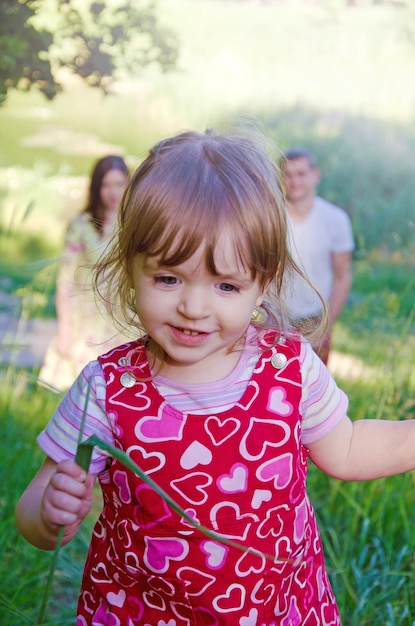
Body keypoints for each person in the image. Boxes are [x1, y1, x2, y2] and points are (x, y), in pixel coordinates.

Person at [15, 129, 415, 625]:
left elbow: (350, 449)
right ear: (129, 266)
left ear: (262, 283)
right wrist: (50, 513)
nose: (193, 307)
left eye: (226, 284)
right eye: (167, 277)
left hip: (276, 608)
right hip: (141, 612)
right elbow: (35, 511)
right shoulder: (107, 389)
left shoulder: (288, 370)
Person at [39, 154, 131, 390]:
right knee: (80, 390)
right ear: (96, 186)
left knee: (117, 389)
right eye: (106, 185)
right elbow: (65, 280)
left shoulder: (133, 225)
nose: (113, 192)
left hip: (121, 319)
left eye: (119, 184)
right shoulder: (82, 225)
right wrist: (64, 327)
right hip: (86, 319)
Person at [280, 147, 354, 364]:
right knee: (275, 392)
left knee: (314, 393)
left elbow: (343, 277)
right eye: (288, 174)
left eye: (301, 174)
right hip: (274, 317)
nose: (294, 181)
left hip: (315, 318)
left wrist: (326, 326)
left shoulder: (335, 219)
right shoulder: (270, 217)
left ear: (315, 176)